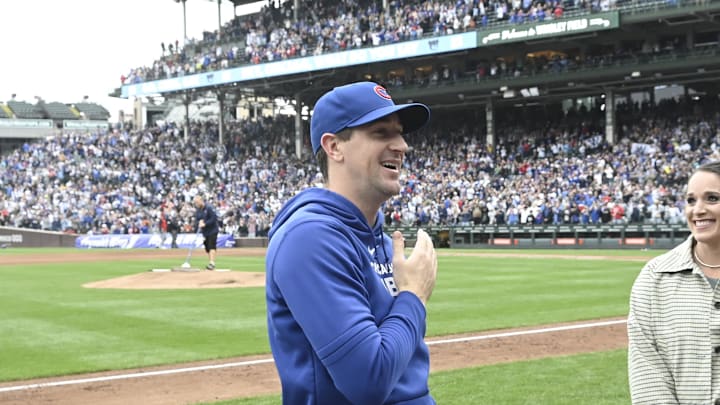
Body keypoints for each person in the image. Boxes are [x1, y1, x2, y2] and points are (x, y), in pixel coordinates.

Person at [265, 81, 438, 404]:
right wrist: (413, 296)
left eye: (399, 133)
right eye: (381, 132)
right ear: (334, 147)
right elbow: (368, 379)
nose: (402, 145)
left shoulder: (384, 242)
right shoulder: (310, 239)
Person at [628, 160, 720, 404]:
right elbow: (648, 380)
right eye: (691, 200)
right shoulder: (653, 278)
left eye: (712, 198)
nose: (698, 210)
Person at [193, 194, 219, 270]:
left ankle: (212, 263)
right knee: (207, 247)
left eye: (197, 202)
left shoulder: (209, 208)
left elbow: (214, 218)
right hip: (205, 232)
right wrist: (199, 222)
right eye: (195, 203)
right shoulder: (198, 210)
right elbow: (197, 218)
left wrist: (205, 223)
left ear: (201, 201)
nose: (196, 204)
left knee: (211, 246)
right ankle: (210, 261)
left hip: (212, 230)